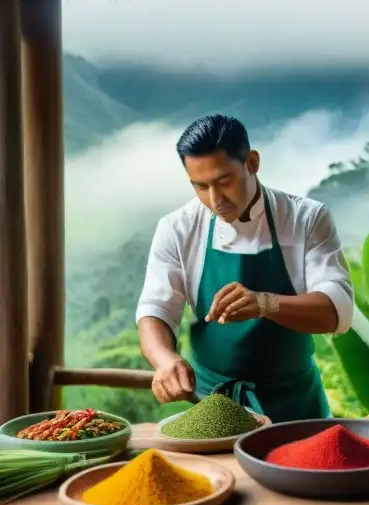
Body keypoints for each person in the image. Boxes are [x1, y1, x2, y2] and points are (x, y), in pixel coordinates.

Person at [136, 114, 354, 422]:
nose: (215, 200)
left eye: (224, 181)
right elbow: (154, 310)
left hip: (295, 404)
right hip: (212, 405)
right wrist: (165, 359)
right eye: (200, 186)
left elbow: (338, 311)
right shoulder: (177, 228)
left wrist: (265, 303)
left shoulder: (306, 219)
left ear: (252, 162)